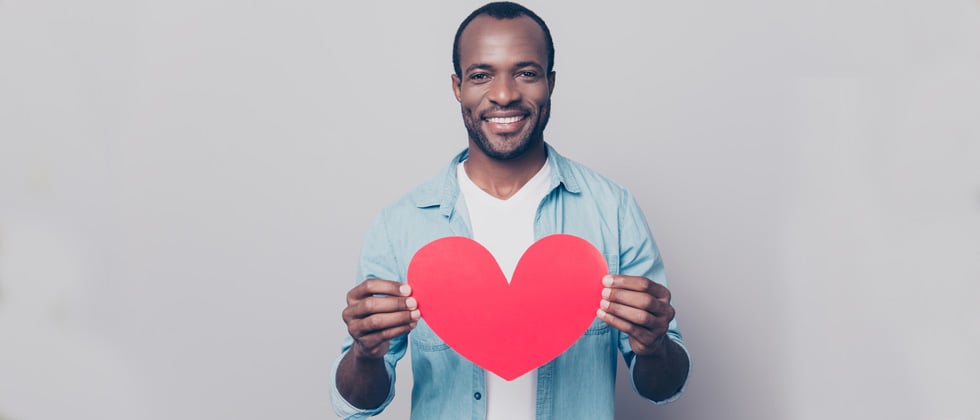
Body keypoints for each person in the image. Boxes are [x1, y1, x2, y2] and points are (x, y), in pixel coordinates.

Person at [330, 2, 691, 419]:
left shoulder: (612, 210)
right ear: (457, 87)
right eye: (481, 75)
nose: (503, 95)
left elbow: (664, 385)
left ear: (551, 83)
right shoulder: (401, 224)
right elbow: (359, 403)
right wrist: (365, 354)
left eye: (526, 73)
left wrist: (655, 345)